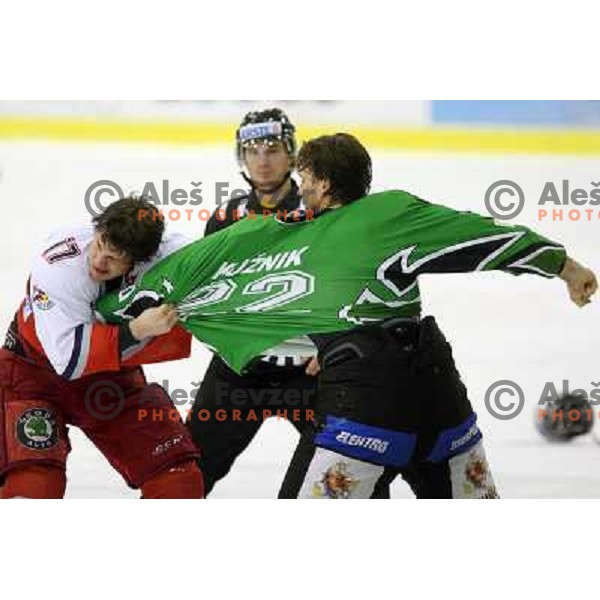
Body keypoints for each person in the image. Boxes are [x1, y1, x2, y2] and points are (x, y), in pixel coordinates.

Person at [95, 134, 597, 499]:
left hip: (366, 397)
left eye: (307, 180)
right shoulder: (386, 212)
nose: (300, 188)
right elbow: (485, 238)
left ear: (326, 184)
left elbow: (232, 280)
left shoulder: (294, 235)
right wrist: (563, 265)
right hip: (440, 391)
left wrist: (114, 309)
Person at [0, 196, 204, 499]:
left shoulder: (171, 254)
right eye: (100, 244)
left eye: (115, 256)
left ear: (141, 258)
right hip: (33, 376)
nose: (98, 260)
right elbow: (69, 361)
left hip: (111, 376)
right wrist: (138, 329)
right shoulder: (60, 265)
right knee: (34, 485)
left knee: (178, 479)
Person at [188, 108, 321, 495]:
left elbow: (344, 285)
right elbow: (204, 294)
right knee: (185, 476)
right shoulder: (225, 218)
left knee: (343, 477)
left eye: (274, 148)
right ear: (240, 157)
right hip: (239, 370)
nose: (262, 160)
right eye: (252, 150)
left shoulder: (321, 215)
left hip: (309, 374)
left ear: (292, 155)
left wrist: (334, 347)